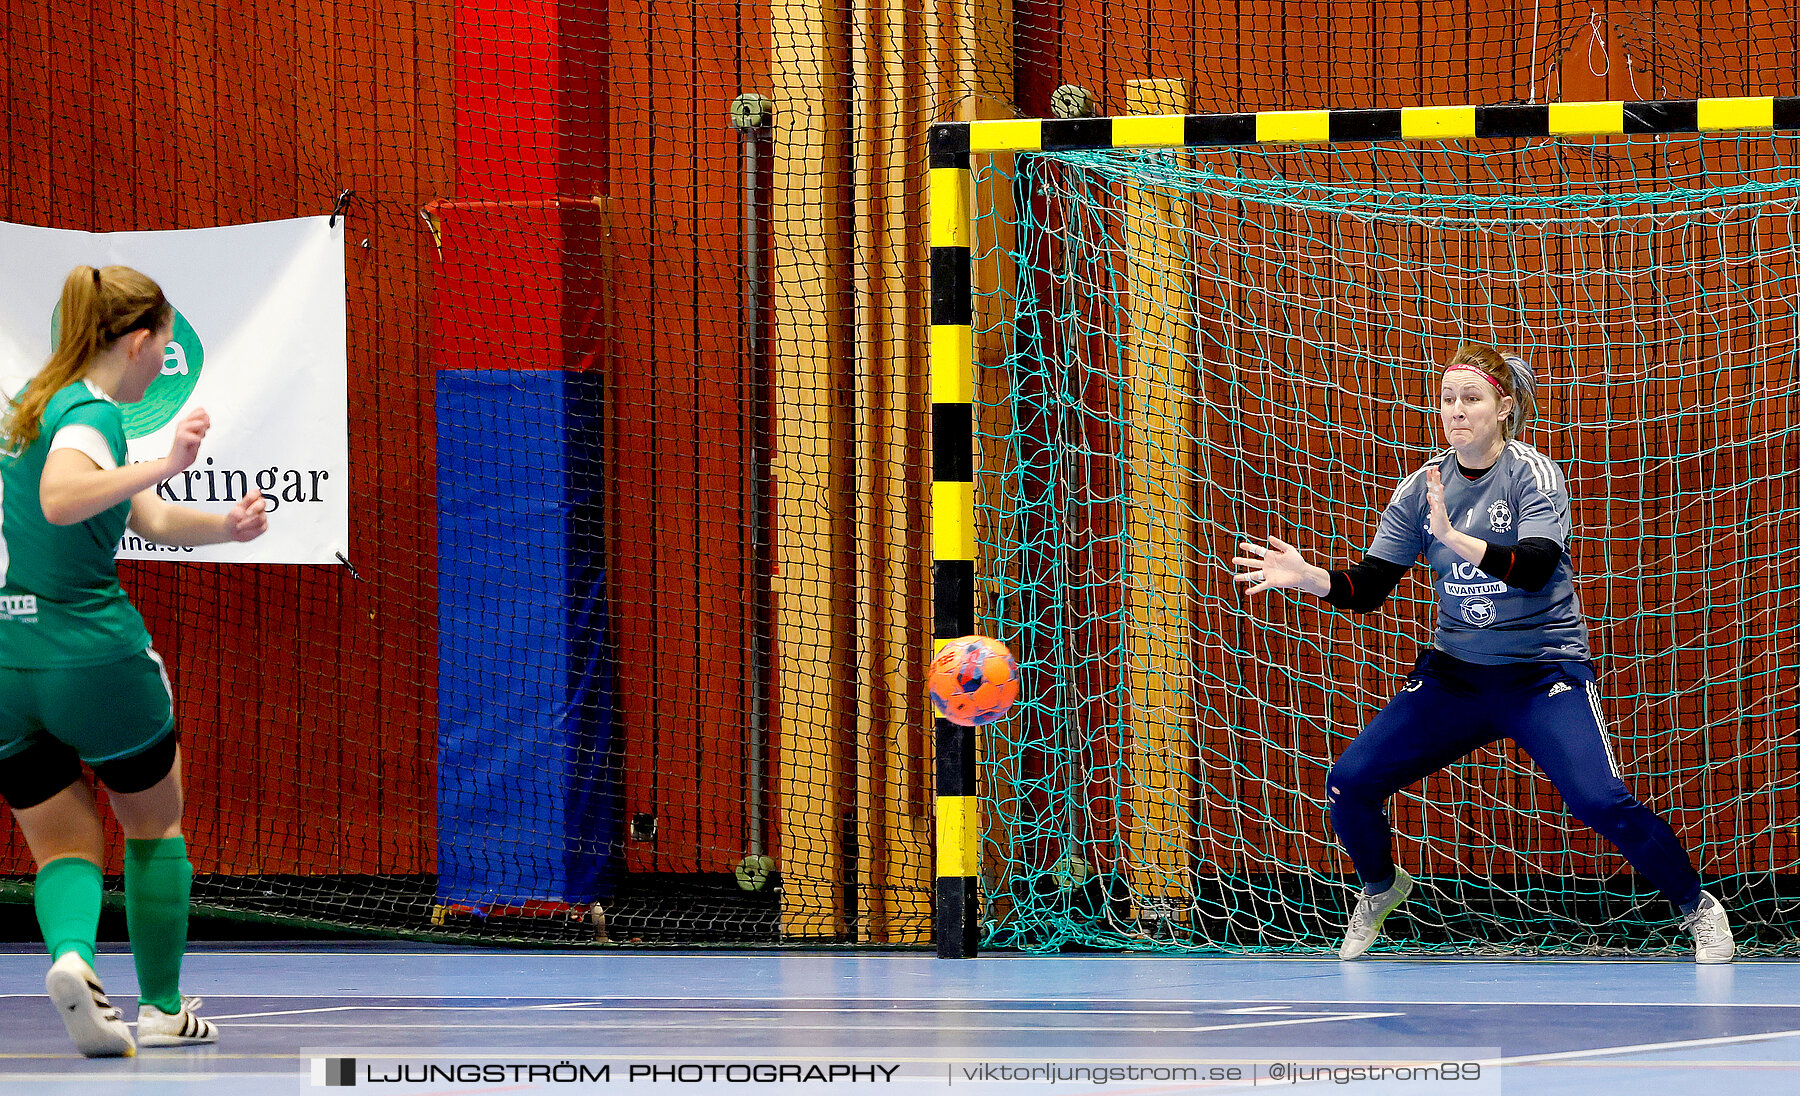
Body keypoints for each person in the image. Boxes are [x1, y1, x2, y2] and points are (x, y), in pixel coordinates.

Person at [1231, 341, 1733, 963]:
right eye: (1448, 400)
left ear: (1505, 408)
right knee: (1349, 783)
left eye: (1472, 399)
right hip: (1457, 678)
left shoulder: (1533, 474)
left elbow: (1534, 567)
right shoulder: (1421, 488)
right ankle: (1382, 888)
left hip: (1541, 672)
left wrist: (1450, 538)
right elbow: (1371, 588)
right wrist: (1316, 580)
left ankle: (1696, 906)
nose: (1457, 411)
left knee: (1598, 801)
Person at [0, 265, 269, 1057]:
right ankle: (159, 1006)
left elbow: (143, 515)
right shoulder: (90, 416)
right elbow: (61, 496)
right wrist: (166, 459)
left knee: (62, 846)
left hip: (8, 662)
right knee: (155, 824)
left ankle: (74, 960)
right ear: (141, 339)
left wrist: (226, 525)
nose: (165, 367)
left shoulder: (27, 410)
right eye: (163, 347)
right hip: (93, 658)